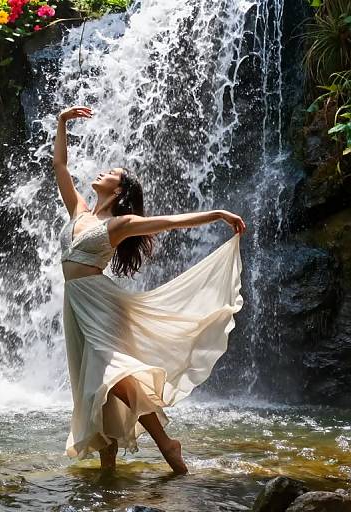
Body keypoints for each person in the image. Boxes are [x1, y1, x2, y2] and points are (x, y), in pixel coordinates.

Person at [54, 105, 246, 474]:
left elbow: (169, 223)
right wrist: (62, 122)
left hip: (101, 305)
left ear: (120, 189)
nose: (103, 172)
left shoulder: (121, 223)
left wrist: (217, 214)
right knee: (93, 384)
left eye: (112, 173)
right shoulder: (78, 210)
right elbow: (60, 167)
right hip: (76, 305)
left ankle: (166, 444)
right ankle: (107, 464)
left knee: (110, 375)